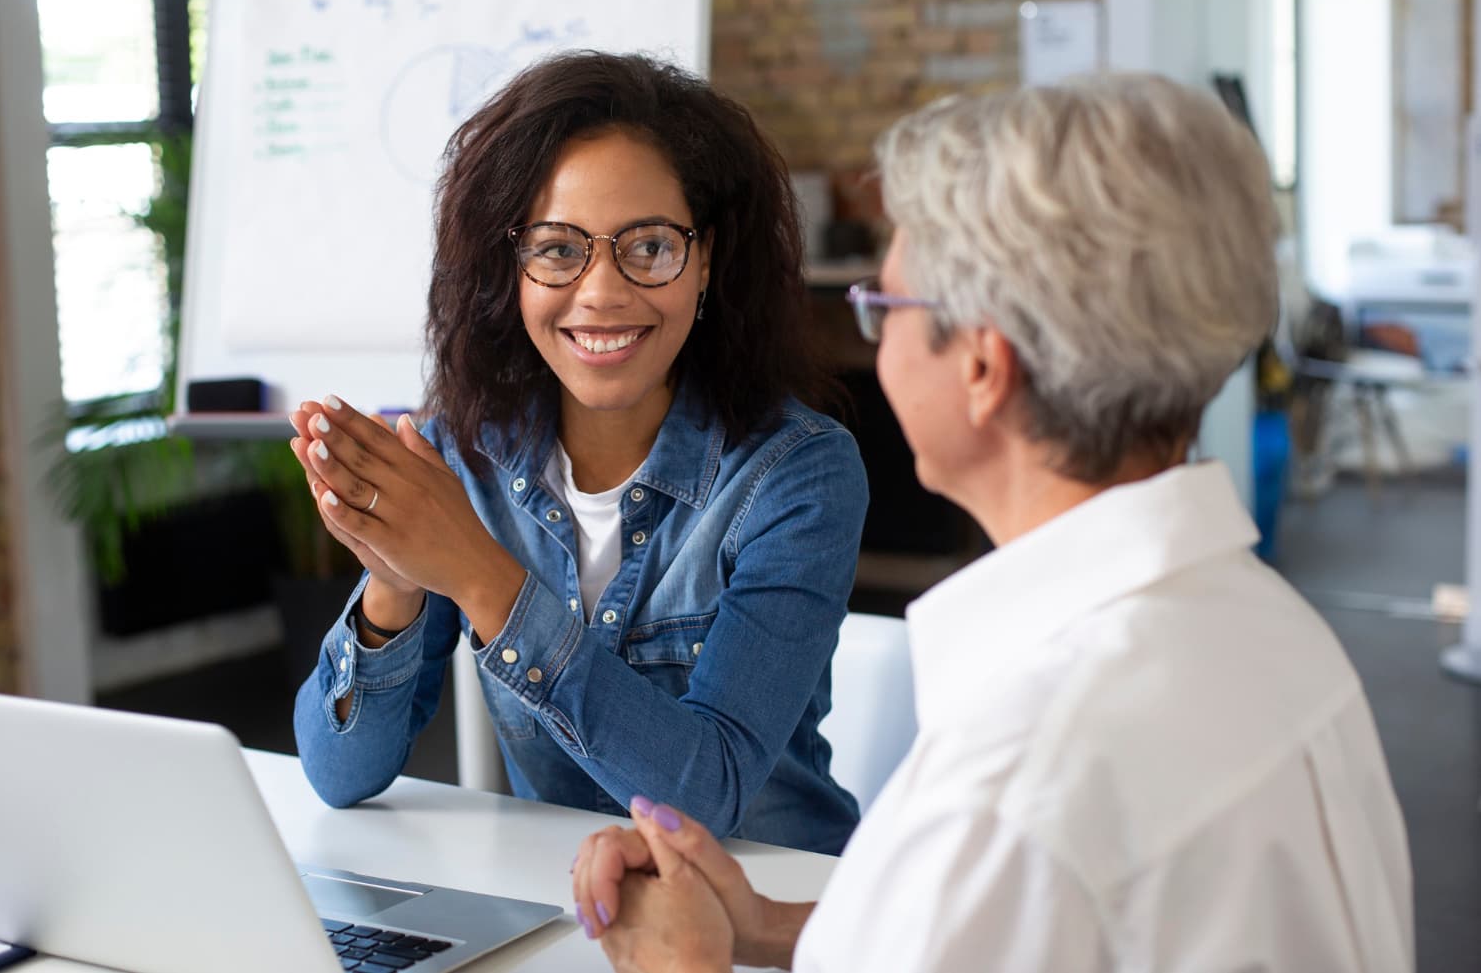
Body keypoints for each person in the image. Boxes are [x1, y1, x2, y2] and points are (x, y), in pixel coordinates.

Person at [570, 74, 1415, 970]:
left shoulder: (1022, 778)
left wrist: (685, 963)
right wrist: (763, 925)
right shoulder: (1272, 628)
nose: (875, 342)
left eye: (884, 306)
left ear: (983, 366)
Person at [288, 50, 868, 857]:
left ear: (707, 262)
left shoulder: (798, 472)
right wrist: (394, 579)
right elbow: (338, 772)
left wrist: (479, 574)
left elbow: (711, 792)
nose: (601, 291)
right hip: (567, 910)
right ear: (510, 268)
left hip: (778, 909)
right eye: (559, 248)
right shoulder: (470, 453)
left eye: (650, 247)